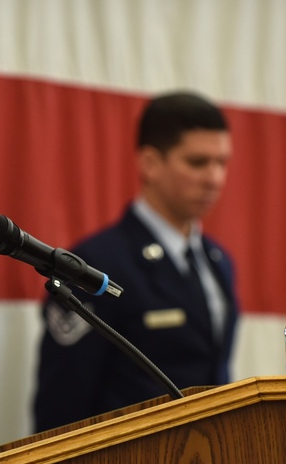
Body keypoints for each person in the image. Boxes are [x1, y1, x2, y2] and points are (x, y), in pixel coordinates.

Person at [33, 92, 239, 432]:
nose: (215, 178)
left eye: (222, 163)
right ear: (150, 164)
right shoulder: (95, 262)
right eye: (198, 162)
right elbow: (64, 404)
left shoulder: (218, 263)